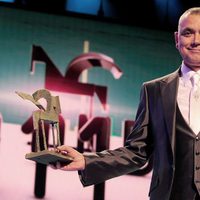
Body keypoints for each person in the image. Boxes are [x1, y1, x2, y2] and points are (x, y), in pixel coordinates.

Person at [52, 7, 200, 200]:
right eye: (188, 33)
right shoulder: (154, 91)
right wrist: (86, 161)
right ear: (176, 38)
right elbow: (136, 152)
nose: (196, 40)